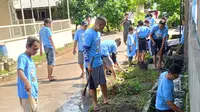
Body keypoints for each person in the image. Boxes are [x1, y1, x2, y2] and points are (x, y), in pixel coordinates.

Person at [83, 16, 109, 111]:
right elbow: (85, 50)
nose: (103, 28)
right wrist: (88, 63)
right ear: (99, 24)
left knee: (103, 82)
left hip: (99, 62)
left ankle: (105, 99)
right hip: (91, 64)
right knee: (93, 86)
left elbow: (98, 47)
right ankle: (95, 104)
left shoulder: (97, 33)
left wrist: (102, 58)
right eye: (103, 26)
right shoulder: (89, 34)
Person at [17, 36, 40, 112]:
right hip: (26, 93)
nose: (36, 51)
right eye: (35, 49)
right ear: (27, 46)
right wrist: (26, 81)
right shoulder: (23, 57)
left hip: (33, 92)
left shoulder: (30, 59)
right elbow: (20, 71)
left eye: (37, 49)